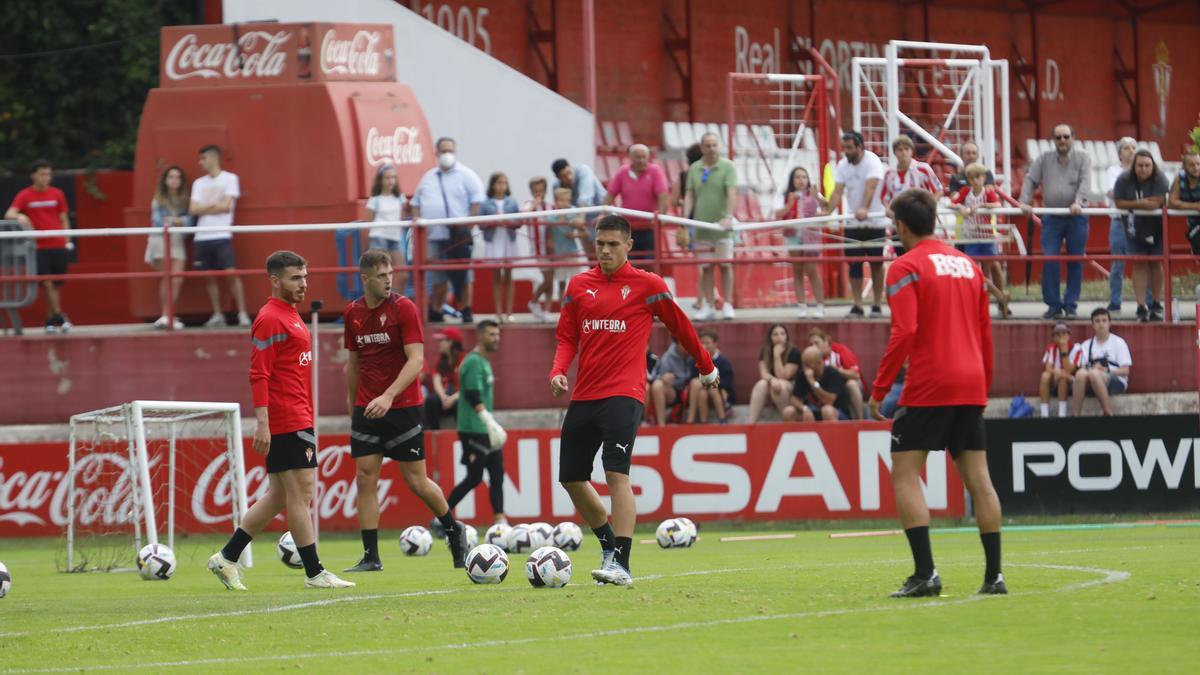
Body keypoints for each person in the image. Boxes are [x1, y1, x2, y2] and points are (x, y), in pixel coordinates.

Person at [549, 214, 719, 586]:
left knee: (615, 474)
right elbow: (567, 338)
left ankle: (622, 564)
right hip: (585, 394)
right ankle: (608, 545)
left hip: (624, 394)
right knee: (572, 479)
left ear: (629, 245)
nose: (605, 251)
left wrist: (706, 366)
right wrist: (558, 370)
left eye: (613, 244)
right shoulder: (578, 286)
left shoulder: (648, 286)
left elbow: (681, 327)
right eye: (600, 244)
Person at [868, 188, 1004, 598]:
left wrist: (880, 388)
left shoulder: (904, 267)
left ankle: (926, 573)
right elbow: (985, 333)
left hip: (930, 383)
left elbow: (905, 331)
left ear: (902, 226)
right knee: (980, 480)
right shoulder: (969, 265)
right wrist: (983, 383)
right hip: (970, 382)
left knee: (906, 473)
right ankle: (993, 577)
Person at [207, 251, 355, 590]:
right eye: (295, 278)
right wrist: (263, 422)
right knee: (301, 496)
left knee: (277, 496)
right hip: (286, 418)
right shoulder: (271, 318)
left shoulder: (291, 315)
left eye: (305, 277)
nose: (303, 284)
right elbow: (259, 373)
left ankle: (227, 558)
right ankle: (315, 573)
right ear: (275, 281)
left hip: (296, 415)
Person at [341, 248, 469, 572]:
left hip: (402, 406)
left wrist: (387, 396)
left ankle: (454, 530)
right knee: (365, 477)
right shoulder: (352, 313)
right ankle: (371, 556)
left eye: (390, 274)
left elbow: (416, 361)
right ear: (365, 278)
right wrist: (352, 404)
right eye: (381, 275)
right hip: (367, 407)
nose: (388, 281)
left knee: (417, 481)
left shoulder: (404, 308)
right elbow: (353, 364)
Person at [1019, 124, 1092, 319]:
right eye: (1058, 137)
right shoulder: (1044, 159)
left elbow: (1085, 182)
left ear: (1073, 138)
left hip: (1076, 216)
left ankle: (1070, 304)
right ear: (1053, 139)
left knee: (1076, 259)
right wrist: (1024, 201)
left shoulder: (1083, 158)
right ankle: (1053, 304)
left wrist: (1078, 202)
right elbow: (1030, 179)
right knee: (1050, 258)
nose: (1062, 141)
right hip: (1052, 217)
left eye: (1066, 137)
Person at [443, 319, 509, 529]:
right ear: (479, 336)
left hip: (484, 429)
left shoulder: (483, 362)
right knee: (474, 477)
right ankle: (440, 517)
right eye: (491, 334)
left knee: (497, 474)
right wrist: (490, 421)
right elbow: (472, 395)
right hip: (473, 428)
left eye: (497, 334)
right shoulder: (472, 362)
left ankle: (500, 521)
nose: (495, 338)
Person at [411, 137, 484, 324]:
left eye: (449, 150)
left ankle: (466, 308)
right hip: (435, 236)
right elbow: (416, 203)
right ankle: (436, 309)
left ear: (455, 152)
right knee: (437, 276)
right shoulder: (428, 177)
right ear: (436, 153)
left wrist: (467, 225)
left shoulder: (466, 175)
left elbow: (477, 200)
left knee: (464, 274)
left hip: (459, 236)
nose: (446, 155)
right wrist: (420, 223)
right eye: (443, 151)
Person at [823, 131, 887, 317]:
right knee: (854, 264)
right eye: (844, 148)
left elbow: (872, 186)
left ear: (860, 147)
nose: (846, 152)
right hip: (853, 223)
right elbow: (837, 191)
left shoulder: (872, 161)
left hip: (874, 221)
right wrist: (828, 211)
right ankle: (857, 304)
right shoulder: (843, 165)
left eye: (850, 148)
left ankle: (876, 304)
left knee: (876, 264)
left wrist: (864, 209)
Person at [6, 158, 73, 333]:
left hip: (58, 243)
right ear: (33, 176)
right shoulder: (25, 195)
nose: (46, 178)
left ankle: (50, 321)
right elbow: (10, 213)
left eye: (48, 174)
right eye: (42, 174)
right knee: (47, 282)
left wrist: (67, 239)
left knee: (56, 284)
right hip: (39, 246)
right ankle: (60, 316)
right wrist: (21, 217)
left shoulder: (57, 193)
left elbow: (63, 218)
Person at [189, 144, 250, 328]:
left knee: (231, 274)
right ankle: (217, 314)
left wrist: (205, 208)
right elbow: (193, 209)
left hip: (222, 234)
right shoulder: (198, 183)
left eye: (203, 158)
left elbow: (226, 206)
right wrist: (215, 205)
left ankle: (242, 313)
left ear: (214, 158)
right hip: (202, 237)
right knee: (209, 277)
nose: (200, 163)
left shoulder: (230, 179)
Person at [683, 132, 738, 320]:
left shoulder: (728, 166)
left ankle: (728, 304)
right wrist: (685, 220)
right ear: (702, 148)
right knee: (706, 267)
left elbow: (731, 192)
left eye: (715, 145)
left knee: (725, 265)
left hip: (722, 226)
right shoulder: (694, 168)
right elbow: (689, 195)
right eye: (708, 145)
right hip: (701, 225)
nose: (712, 149)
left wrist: (728, 216)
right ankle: (708, 304)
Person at [1114, 149, 1170, 322]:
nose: (1144, 169)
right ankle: (1141, 306)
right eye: (1140, 165)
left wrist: (1135, 205)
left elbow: (1158, 202)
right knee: (1138, 265)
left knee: (1155, 264)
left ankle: (1156, 303)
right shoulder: (1124, 179)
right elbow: (1119, 202)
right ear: (1134, 166)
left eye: (1147, 165)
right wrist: (1140, 203)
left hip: (1157, 228)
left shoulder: (1160, 178)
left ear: (1153, 166)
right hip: (1133, 228)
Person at [951, 162, 1010, 317]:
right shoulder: (965, 191)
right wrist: (961, 208)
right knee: (975, 272)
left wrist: (983, 205)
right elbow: (953, 203)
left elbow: (997, 204)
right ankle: (999, 296)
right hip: (971, 237)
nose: (975, 180)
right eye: (971, 178)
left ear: (984, 178)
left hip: (987, 236)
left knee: (987, 270)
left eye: (978, 177)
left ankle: (988, 303)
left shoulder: (988, 192)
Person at [604, 143, 670, 261]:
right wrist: (602, 214)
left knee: (650, 261)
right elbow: (610, 195)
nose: (641, 160)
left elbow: (663, 195)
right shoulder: (622, 172)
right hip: (628, 228)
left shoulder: (655, 171)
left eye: (644, 157)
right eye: (638, 157)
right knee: (629, 261)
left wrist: (661, 215)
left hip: (649, 227)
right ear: (631, 158)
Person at [145, 166, 192, 330]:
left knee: (177, 279)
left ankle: (169, 315)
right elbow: (159, 222)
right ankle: (166, 315)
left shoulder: (185, 199)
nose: (174, 180)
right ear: (165, 180)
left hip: (177, 240)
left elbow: (190, 222)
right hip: (160, 239)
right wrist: (178, 220)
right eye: (171, 177)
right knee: (167, 277)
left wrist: (173, 220)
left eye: (178, 177)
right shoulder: (158, 199)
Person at [777, 167, 826, 318]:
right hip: (793, 235)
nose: (801, 180)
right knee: (797, 271)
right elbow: (778, 214)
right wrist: (789, 205)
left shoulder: (813, 194)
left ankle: (820, 306)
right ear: (792, 180)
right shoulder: (786, 196)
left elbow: (826, 207)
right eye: (797, 177)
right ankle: (802, 306)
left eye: (804, 177)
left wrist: (817, 197)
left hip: (810, 235)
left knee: (812, 269)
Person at [1070, 307, 1132, 416]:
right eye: (1097, 321)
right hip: (1092, 380)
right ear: (1093, 325)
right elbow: (1083, 368)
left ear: (1109, 323)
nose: (1101, 324)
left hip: (1116, 381)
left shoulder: (1119, 342)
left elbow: (1126, 371)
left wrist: (1107, 370)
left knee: (1095, 373)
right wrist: (1091, 369)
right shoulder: (1086, 345)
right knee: (1080, 373)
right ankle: (1076, 415)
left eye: (1104, 320)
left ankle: (1107, 412)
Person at [479, 172, 522, 323]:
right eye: (498, 183)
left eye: (504, 183)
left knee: (509, 275)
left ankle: (509, 312)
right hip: (493, 240)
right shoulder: (486, 203)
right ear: (492, 185)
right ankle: (498, 312)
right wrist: (492, 222)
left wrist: (508, 221)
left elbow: (519, 221)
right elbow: (481, 224)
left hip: (508, 240)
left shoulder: (512, 202)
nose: (501, 186)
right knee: (496, 276)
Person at [539, 187, 590, 303]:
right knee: (561, 283)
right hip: (559, 255)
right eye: (562, 200)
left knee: (577, 283)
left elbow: (585, 233)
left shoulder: (572, 214)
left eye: (568, 200)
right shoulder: (551, 217)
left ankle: (577, 306)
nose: (566, 203)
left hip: (572, 253)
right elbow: (548, 235)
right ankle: (564, 309)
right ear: (556, 201)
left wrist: (574, 235)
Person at [1104, 137, 1137, 313]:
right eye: (1126, 148)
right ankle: (1115, 301)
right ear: (1119, 154)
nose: (1131, 151)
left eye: (1133, 147)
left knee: (1144, 261)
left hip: (1140, 221)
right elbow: (1113, 193)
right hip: (1119, 220)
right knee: (1118, 263)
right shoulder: (1113, 170)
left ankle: (1147, 301)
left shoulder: (1143, 169)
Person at [366, 163, 409, 296]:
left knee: (403, 274)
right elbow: (368, 222)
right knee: (379, 273)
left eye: (393, 177)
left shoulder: (400, 198)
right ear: (381, 180)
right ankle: (380, 301)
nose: (391, 181)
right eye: (387, 177)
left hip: (395, 238)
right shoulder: (375, 199)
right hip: (378, 237)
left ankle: (396, 301)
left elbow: (403, 218)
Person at [747, 323, 801, 423]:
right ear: (770, 337)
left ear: (787, 336)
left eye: (782, 334)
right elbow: (764, 373)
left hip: (792, 386)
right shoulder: (765, 351)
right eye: (775, 334)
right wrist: (772, 380)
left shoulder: (794, 351)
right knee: (761, 384)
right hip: (774, 383)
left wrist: (777, 356)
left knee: (779, 386)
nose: (779, 337)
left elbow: (784, 376)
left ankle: (787, 419)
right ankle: (751, 423)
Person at [807, 328, 865, 420]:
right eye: (811, 345)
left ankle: (861, 420)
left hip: (845, 388)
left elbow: (856, 375)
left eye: (817, 343)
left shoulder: (840, 350)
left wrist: (836, 370)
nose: (814, 347)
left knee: (852, 384)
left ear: (826, 342)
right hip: (827, 391)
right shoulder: (811, 358)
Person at [783, 345, 851, 422]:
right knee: (788, 412)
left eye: (808, 364)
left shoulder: (833, 374)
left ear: (819, 363)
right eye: (804, 364)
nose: (805, 368)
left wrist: (813, 383)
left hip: (837, 413)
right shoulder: (803, 373)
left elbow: (829, 401)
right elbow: (794, 398)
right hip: (813, 410)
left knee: (827, 410)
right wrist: (804, 408)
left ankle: (833, 434)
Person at [685, 327, 735, 424]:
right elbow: (690, 377)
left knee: (707, 384)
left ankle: (691, 419)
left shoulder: (723, 361)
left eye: (708, 343)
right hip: (699, 392)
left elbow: (728, 382)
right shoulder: (694, 360)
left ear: (715, 344)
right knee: (700, 391)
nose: (704, 346)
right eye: (702, 343)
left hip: (720, 393)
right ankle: (704, 421)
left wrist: (709, 381)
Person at [881, 136, 943, 212]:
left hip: (920, 216)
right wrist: (888, 209)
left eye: (906, 149)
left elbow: (939, 191)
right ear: (894, 152)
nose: (903, 152)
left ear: (912, 151)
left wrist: (928, 207)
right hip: (898, 217)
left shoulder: (924, 169)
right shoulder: (889, 173)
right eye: (900, 149)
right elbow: (884, 197)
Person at [524, 176, 554, 320]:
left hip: (551, 249)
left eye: (541, 190)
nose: (539, 193)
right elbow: (523, 215)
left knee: (551, 278)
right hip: (538, 249)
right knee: (547, 279)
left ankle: (546, 310)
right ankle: (534, 301)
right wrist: (535, 203)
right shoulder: (529, 204)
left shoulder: (550, 206)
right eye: (536, 191)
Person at [423, 326, 464, 430]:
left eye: (442, 340)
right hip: (446, 397)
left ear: (451, 342)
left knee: (460, 403)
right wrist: (443, 397)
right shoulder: (441, 359)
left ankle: (461, 433)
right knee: (431, 400)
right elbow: (436, 380)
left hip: (459, 397)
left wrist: (452, 398)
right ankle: (434, 432)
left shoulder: (465, 360)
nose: (439, 343)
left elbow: (467, 387)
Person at [647, 339, 693, 426]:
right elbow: (657, 376)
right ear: (677, 343)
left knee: (696, 384)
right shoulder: (668, 357)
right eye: (684, 343)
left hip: (693, 389)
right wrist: (663, 377)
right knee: (657, 385)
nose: (687, 346)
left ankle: (691, 420)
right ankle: (661, 424)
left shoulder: (695, 353)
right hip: (676, 390)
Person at [1039, 322, 1080, 418]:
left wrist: (1064, 350)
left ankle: (1062, 414)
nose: (1061, 337)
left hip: (1071, 382)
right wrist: (1056, 372)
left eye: (1064, 333)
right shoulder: (1051, 347)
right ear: (1053, 337)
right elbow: (1048, 367)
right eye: (1058, 334)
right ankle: (1044, 414)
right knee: (1045, 375)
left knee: (1063, 380)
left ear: (1069, 335)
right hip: (1055, 379)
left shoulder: (1076, 348)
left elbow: (1069, 370)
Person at [1169, 149, 1200, 255]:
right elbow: (1172, 203)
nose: (1196, 168)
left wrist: (1182, 205)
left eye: (1198, 164)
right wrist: (1195, 206)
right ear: (1184, 166)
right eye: (1191, 165)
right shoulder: (1179, 179)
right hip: (1193, 225)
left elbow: (1176, 203)